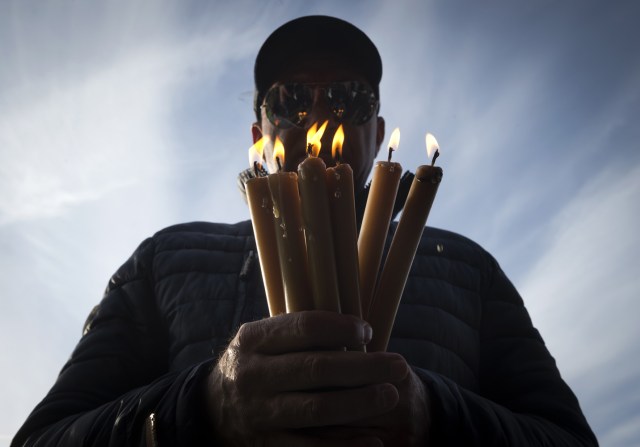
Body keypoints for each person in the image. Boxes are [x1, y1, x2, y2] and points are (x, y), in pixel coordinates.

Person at [13, 16, 598, 446]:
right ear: (257, 133)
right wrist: (202, 405)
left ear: (379, 131)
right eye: (291, 98)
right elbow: (45, 439)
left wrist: (435, 415)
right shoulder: (168, 259)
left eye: (349, 97)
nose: (320, 116)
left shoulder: (465, 269)